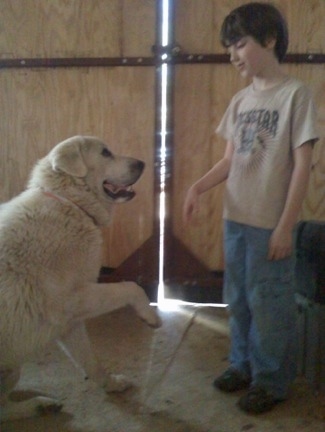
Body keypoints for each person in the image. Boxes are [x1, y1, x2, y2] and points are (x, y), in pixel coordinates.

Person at [183, 2, 319, 414]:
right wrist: (197, 187)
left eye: (239, 44)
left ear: (270, 40)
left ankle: (271, 380)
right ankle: (242, 365)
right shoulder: (241, 100)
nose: (233, 55)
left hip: (269, 225)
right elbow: (229, 161)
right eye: (229, 48)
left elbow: (302, 166)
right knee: (237, 297)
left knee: (270, 301)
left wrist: (284, 227)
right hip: (235, 221)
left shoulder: (296, 95)